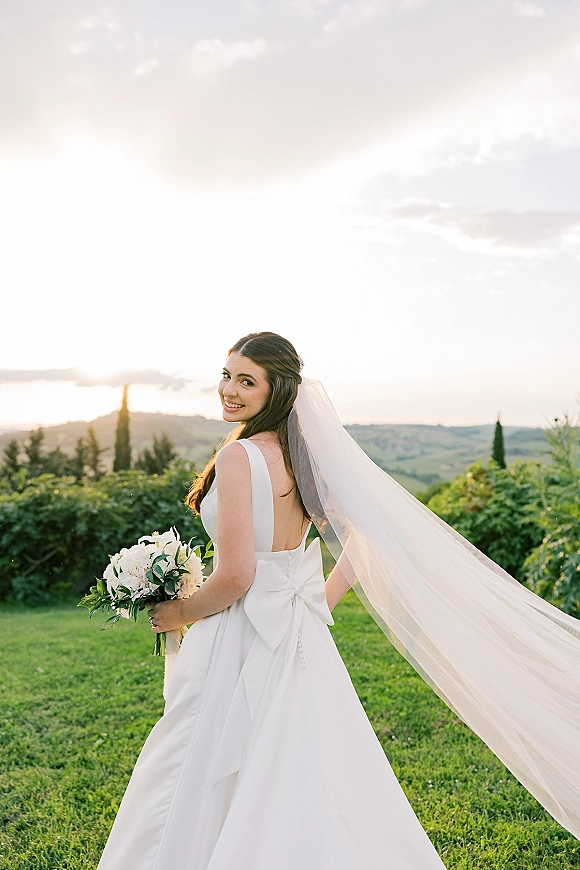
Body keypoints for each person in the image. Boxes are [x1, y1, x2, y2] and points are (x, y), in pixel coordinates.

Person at [97, 331, 580, 869]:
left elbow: (236, 576)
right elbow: (362, 535)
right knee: (307, 767)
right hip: (296, 632)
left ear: (277, 389)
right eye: (227, 375)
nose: (229, 390)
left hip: (237, 632)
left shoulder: (239, 457)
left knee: (197, 757)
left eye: (246, 380)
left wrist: (179, 611)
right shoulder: (301, 456)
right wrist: (318, 600)